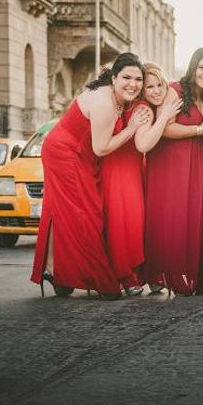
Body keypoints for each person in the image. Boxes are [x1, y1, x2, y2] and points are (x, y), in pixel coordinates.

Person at [30, 52, 150, 300]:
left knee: (67, 210)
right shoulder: (105, 102)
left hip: (79, 153)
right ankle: (97, 277)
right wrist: (131, 128)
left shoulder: (116, 97)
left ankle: (55, 271)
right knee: (85, 213)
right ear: (114, 78)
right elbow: (101, 148)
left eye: (138, 79)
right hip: (66, 154)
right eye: (127, 77)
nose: (133, 84)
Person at [142, 48, 203, 296]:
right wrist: (198, 130)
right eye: (202, 67)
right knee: (171, 217)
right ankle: (169, 276)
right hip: (169, 163)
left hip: (195, 162)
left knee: (193, 217)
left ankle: (195, 276)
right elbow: (165, 128)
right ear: (193, 67)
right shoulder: (175, 90)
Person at [100, 62, 182, 297]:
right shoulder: (144, 108)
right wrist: (164, 116)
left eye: (159, 86)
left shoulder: (162, 96)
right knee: (128, 220)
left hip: (140, 166)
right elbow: (143, 144)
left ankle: (152, 273)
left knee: (148, 220)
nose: (155, 91)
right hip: (122, 165)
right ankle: (127, 275)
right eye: (149, 87)